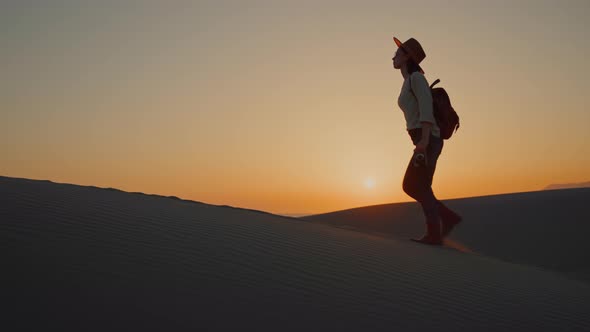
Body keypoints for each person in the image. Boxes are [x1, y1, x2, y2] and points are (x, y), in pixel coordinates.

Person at [392, 36, 462, 245]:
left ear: (406, 57)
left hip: (428, 139)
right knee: (420, 185)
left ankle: (438, 230)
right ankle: (442, 225)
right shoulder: (408, 82)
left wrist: (422, 142)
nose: (393, 57)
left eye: (397, 53)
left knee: (412, 185)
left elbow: (426, 111)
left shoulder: (416, 79)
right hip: (423, 140)